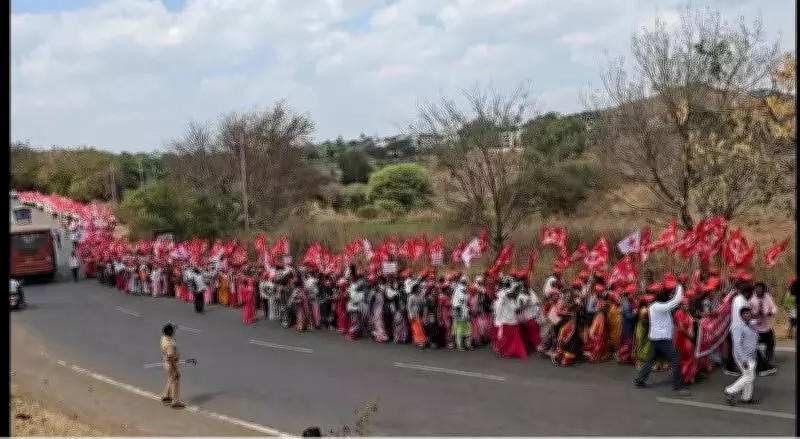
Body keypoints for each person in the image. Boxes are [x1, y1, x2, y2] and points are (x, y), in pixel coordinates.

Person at [634, 279, 689, 395]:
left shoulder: (655, 306)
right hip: (662, 339)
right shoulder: (660, 307)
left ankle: (640, 379)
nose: (669, 295)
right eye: (666, 294)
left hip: (656, 339)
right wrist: (679, 285)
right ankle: (677, 386)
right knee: (675, 360)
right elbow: (677, 300)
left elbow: (672, 300)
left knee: (650, 360)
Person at [724, 307, 759, 406]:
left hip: (752, 356)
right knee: (750, 376)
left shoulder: (751, 325)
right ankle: (730, 391)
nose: (748, 315)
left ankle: (746, 398)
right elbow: (737, 344)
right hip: (743, 357)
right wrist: (743, 359)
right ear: (741, 315)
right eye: (746, 314)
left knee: (748, 376)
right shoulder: (738, 327)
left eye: (749, 313)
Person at [750, 282, 778, 363]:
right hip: (757, 328)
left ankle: (767, 361)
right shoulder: (752, 299)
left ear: (764, 290)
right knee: (754, 345)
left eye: (761, 291)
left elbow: (774, 307)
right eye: (757, 291)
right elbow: (748, 313)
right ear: (755, 290)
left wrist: (771, 312)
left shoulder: (768, 296)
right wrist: (754, 314)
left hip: (768, 326)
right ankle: (757, 360)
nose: (759, 293)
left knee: (771, 344)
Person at [160, 323, 184, 408]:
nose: (174, 331)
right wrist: (175, 368)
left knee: (170, 379)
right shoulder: (169, 343)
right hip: (171, 363)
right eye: (172, 330)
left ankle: (166, 396)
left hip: (166, 363)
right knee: (176, 379)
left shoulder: (164, 338)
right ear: (170, 332)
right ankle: (175, 401)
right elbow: (170, 356)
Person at [451, 276, 472, 351]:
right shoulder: (458, 290)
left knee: (468, 329)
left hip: (465, 312)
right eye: (463, 281)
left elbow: (467, 300)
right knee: (460, 330)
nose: (464, 283)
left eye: (465, 281)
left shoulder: (465, 289)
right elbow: (456, 303)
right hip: (459, 313)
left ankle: (467, 344)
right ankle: (460, 345)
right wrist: (459, 310)